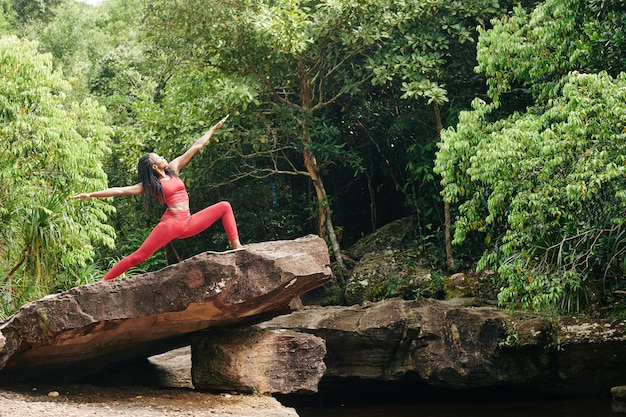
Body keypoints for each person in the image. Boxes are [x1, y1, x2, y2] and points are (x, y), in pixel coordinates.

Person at [72, 115, 242, 281]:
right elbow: (119, 190)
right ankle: (105, 280)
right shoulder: (151, 186)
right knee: (139, 256)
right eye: (159, 157)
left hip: (188, 222)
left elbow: (196, 146)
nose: (163, 157)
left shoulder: (173, 169)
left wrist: (213, 129)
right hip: (171, 223)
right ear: (155, 166)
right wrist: (91, 194)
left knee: (224, 206)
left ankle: (237, 249)